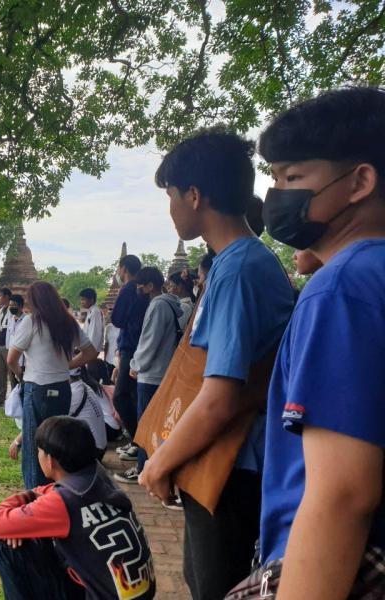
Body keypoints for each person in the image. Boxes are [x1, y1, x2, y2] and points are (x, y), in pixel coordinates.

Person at [229, 87, 385, 599]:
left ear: (361, 181)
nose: (276, 196)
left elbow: (343, 494)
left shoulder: (341, 286)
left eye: (293, 177)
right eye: (274, 178)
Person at [139, 128, 294, 600]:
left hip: (233, 469)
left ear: (193, 194)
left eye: (170, 194)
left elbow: (220, 397)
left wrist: (159, 464)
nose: (169, 207)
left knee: (215, 586)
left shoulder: (241, 271)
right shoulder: (235, 264)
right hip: (228, 464)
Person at [0, 416, 155, 600]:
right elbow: (53, 491)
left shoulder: (62, 503)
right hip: (135, 592)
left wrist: (27, 496)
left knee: (9, 549)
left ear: (50, 461)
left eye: (39, 451)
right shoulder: (100, 477)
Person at [7, 281, 98, 489]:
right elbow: (91, 352)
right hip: (62, 388)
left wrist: (21, 375)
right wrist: (67, 366)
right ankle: (57, 489)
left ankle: (35, 493)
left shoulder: (32, 322)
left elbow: (11, 359)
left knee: (33, 444)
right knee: (57, 441)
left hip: (37, 388)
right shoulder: (68, 322)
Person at [115, 267, 182, 484]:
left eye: (141, 286)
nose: (139, 290)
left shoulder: (159, 305)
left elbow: (149, 341)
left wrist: (136, 364)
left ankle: (144, 467)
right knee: (155, 424)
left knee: (147, 424)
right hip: (160, 371)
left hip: (151, 374)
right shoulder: (171, 305)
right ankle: (151, 465)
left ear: (151, 285)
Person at [109, 254, 149, 461]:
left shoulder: (129, 288)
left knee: (121, 397)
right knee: (132, 397)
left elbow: (116, 318)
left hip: (130, 347)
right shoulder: (139, 289)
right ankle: (138, 442)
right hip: (135, 345)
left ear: (124, 268)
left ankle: (138, 441)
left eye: (119, 267)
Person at [79, 288, 105, 383]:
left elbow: (95, 333)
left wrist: (90, 351)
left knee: (92, 376)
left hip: (92, 349)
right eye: (81, 299)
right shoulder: (91, 311)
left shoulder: (95, 312)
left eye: (84, 299)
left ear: (92, 300)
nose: (82, 302)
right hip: (89, 349)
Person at [0, 287, 12, 406]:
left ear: (6, 297)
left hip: (9, 346)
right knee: (0, 372)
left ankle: (15, 397)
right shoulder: (1, 311)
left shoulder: (12, 310)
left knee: (12, 373)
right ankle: (0, 398)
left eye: (0, 296)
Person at [4, 294, 27, 387]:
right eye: (10, 305)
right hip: (12, 357)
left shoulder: (27, 320)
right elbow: (9, 337)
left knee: (23, 384)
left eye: (14, 305)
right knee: (14, 385)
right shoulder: (11, 319)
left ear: (20, 306)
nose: (11, 307)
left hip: (23, 359)